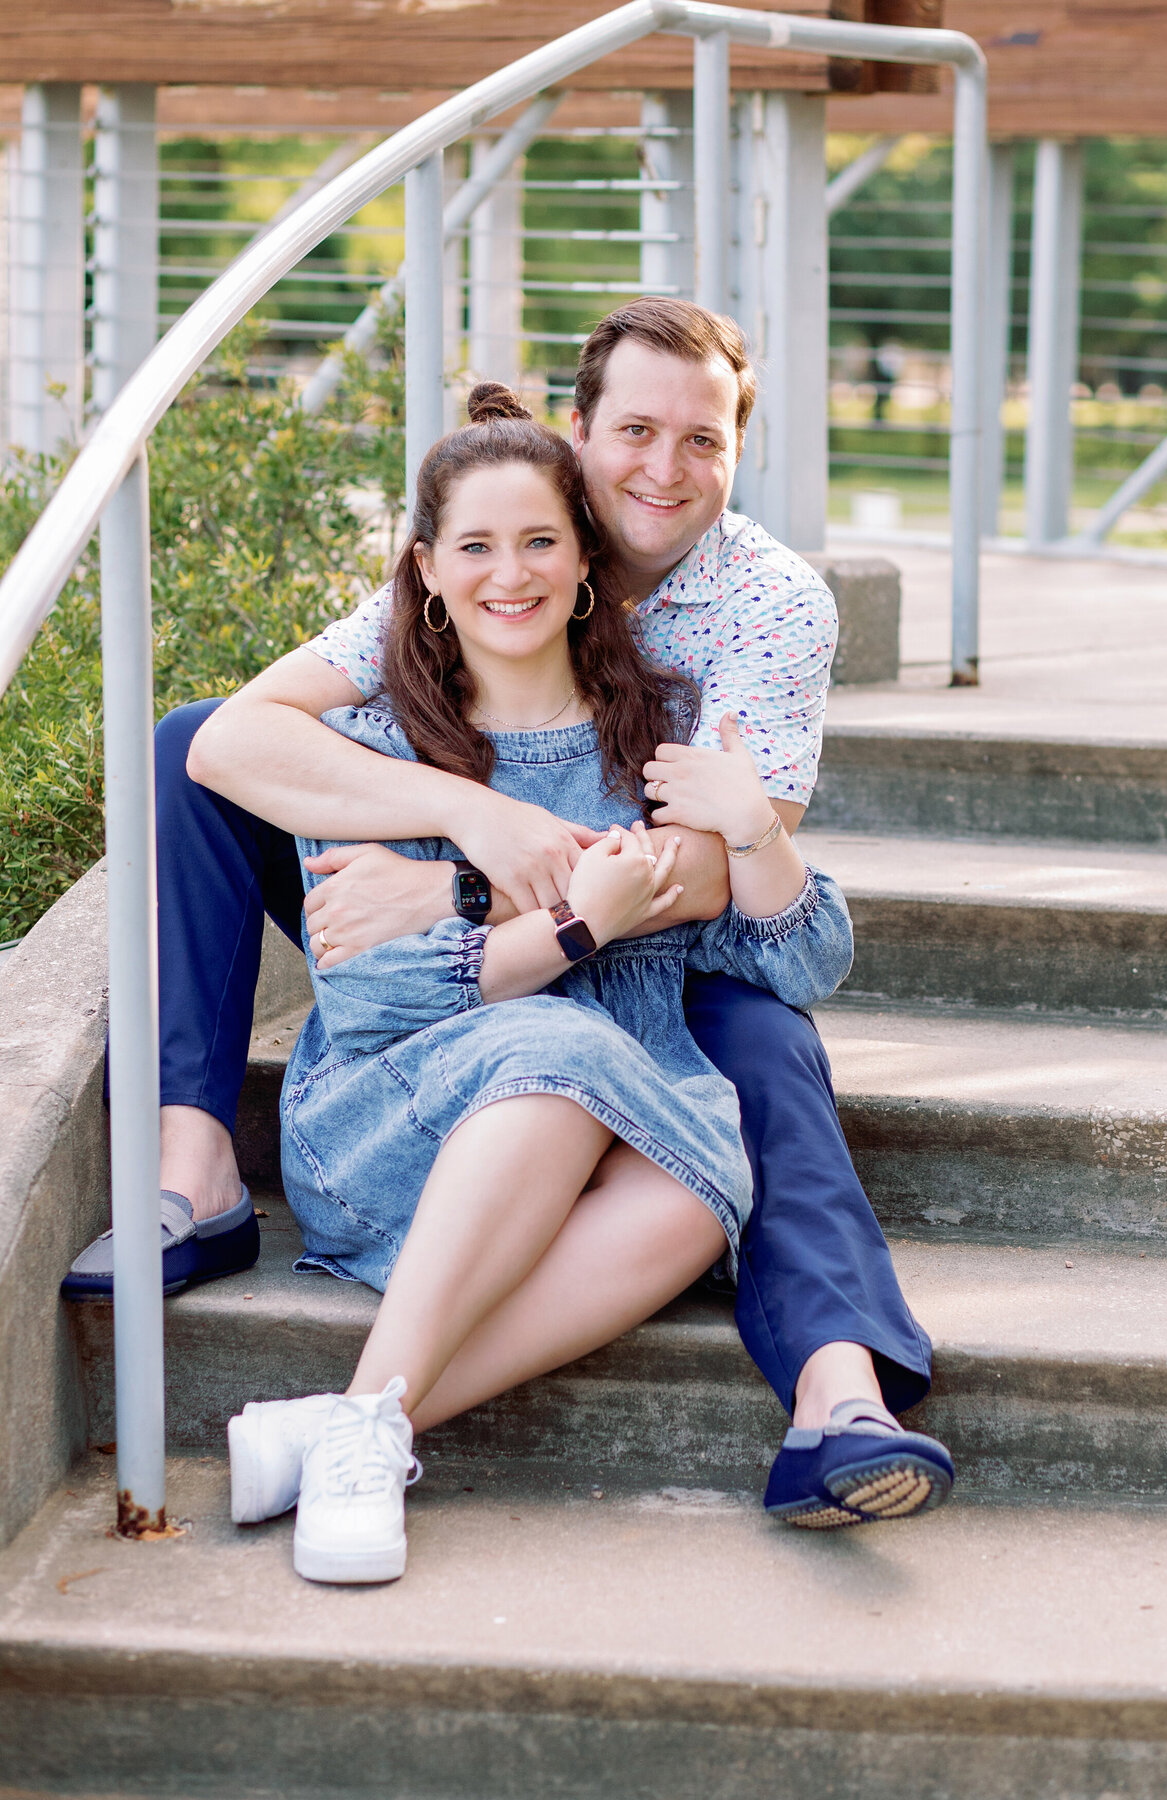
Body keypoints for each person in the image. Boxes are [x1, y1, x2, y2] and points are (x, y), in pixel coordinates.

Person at [63, 296, 950, 1532]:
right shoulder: (494, 537)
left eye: (705, 440)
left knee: (755, 1080)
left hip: (663, 953)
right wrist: (464, 823)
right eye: (636, 429)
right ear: (579, 435)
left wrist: (479, 893)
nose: (666, 467)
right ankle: (195, 1166)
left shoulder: (764, 607)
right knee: (181, 748)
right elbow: (234, 740)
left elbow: (705, 880)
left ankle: (833, 1386)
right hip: (469, 964)